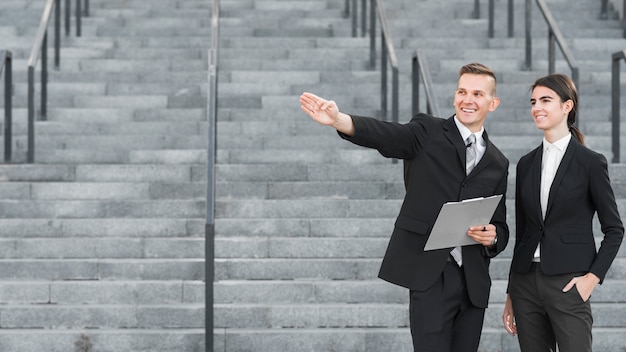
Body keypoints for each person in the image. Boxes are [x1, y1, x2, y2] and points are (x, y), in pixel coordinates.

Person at [300, 62, 510, 352]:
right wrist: (340, 120)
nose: (467, 100)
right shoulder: (428, 131)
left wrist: (494, 236)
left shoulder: (498, 162)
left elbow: (500, 224)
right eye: (462, 91)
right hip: (431, 275)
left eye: (477, 93)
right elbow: (387, 135)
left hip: (472, 282)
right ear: (454, 96)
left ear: (492, 103)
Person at [502, 73, 624, 352]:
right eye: (533, 101)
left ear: (567, 106)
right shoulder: (525, 164)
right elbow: (524, 232)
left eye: (546, 100)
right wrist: (511, 291)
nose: (537, 108)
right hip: (525, 284)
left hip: (568, 283)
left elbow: (614, 229)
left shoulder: (591, 163)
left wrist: (591, 279)